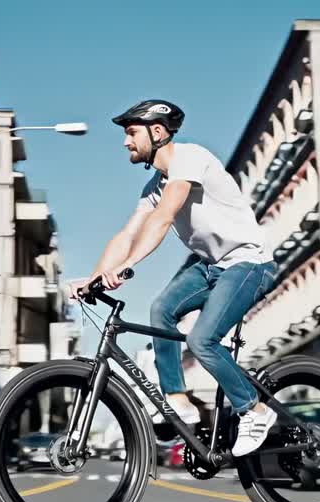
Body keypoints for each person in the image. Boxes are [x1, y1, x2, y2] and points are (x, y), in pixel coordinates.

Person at [73, 99, 278, 457]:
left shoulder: (189, 158)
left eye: (131, 133)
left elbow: (165, 216)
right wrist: (92, 278)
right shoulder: (153, 187)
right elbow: (127, 234)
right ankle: (179, 400)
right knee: (161, 310)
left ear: (157, 131)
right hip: (211, 266)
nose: (125, 142)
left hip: (248, 263)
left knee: (202, 340)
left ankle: (254, 410)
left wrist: (128, 265)